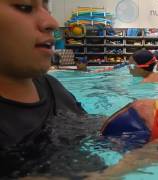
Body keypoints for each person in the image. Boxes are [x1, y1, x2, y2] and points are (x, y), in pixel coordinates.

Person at [0, 0, 87, 176]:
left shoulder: (51, 86)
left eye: (46, 8)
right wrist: (134, 161)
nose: (52, 23)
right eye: (24, 7)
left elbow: (92, 130)